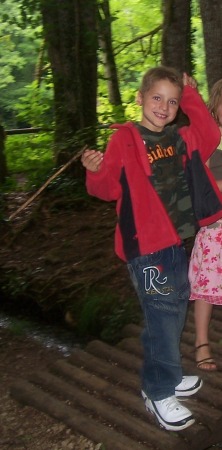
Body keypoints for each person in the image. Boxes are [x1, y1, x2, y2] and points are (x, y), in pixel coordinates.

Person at [81, 66, 222, 432]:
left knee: (173, 310)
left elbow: (209, 133)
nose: (165, 106)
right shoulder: (125, 139)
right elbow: (107, 189)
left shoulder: (180, 138)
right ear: (141, 98)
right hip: (145, 247)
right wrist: (94, 171)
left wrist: (190, 92)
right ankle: (158, 391)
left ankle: (169, 373)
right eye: (157, 97)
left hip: (177, 242)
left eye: (172, 101)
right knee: (162, 314)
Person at [189, 79, 222, 371]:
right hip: (217, 229)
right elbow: (206, 181)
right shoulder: (212, 138)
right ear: (215, 108)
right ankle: (201, 343)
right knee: (207, 288)